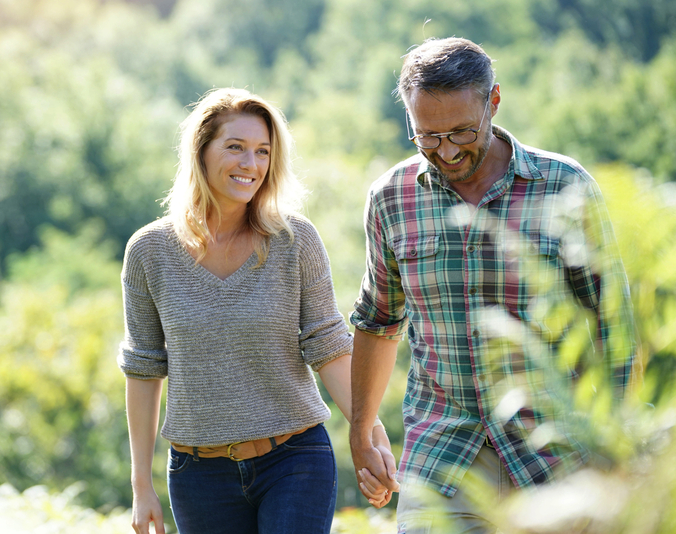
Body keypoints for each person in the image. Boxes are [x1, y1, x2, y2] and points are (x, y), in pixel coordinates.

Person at [348, 38, 636, 533]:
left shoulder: (564, 185)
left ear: (493, 101)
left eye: (462, 131)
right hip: (443, 448)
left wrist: (623, 440)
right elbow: (378, 320)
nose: (448, 150)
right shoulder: (390, 198)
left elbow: (611, 323)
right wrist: (360, 429)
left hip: (555, 451)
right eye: (427, 137)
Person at [118, 88, 388, 534]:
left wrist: (368, 432)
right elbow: (144, 369)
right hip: (198, 475)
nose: (251, 164)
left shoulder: (295, 240)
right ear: (201, 152)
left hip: (295, 460)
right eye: (235, 147)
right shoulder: (149, 252)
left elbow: (328, 345)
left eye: (263, 151)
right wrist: (140, 485)